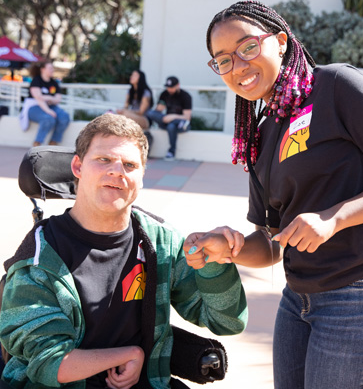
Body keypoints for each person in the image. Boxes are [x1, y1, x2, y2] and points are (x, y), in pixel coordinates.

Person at [184, 0, 363, 389]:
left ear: (280, 42)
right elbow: (271, 243)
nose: (238, 66)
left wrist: (335, 218)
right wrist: (228, 247)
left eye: (248, 47)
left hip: (360, 291)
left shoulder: (335, 86)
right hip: (297, 299)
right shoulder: (260, 134)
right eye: (224, 60)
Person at [0, 113, 247, 389]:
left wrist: (214, 265)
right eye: (104, 160)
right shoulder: (39, 257)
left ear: (142, 176)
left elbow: (228, 322)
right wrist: (128, 354)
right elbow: (49, 362)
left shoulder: (160, 242)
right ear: (78, 166)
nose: (117, 171)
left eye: (129, 164)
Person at [19, 60, 70, 146]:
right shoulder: (36, 80)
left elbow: (57, 99)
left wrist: (47, 98)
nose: (52, 70)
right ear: (42, 69)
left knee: (64, 117)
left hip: (51, 106)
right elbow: (38, 98)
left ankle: (53, 142)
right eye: (50, 68)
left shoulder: (54, 83)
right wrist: (49, 105)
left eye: (52, 68)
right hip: (34, 107)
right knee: (48, 118)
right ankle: (37, 143)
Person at [147, 76, 192, 161]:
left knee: (171, 126)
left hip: (181, 124)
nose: (169, 89)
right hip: (165, 121)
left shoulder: (185, 96)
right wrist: (162, 114)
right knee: (150, 113)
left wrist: (172, 117)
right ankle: (176, 122)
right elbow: (158, 110)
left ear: (178, 85)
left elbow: (187, 117)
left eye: (171, 87)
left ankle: (171, 152)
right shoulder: (164, 94)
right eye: (168, 87)